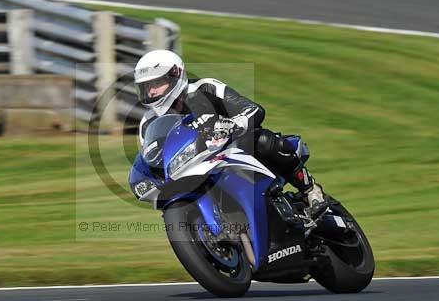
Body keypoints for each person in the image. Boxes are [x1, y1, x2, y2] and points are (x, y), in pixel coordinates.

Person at [133, 49, 326, 214]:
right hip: (189, 169)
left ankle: (310, 190)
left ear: (176, 74)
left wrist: (235, 123)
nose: (151, 93)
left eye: (156, 84)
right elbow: (150, 156)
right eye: (147, 87)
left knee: (264, 141)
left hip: (232, 150)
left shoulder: (205, 88)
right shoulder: (148, 123)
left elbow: (253, 109)